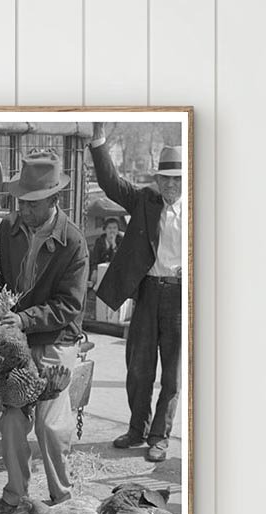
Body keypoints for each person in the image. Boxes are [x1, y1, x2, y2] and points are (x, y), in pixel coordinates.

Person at [0, 148, 90, 514]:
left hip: (55, 338)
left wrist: (25, 320)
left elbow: (69, 306)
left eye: (31, 204)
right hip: (15, 339)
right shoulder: (6, 231)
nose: (23, 210)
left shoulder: (73, 241)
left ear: (54, 200)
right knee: (11, 419)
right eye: (20, 202)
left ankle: (62, 497)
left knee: (49, 423)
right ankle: (16, 492)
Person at [88, 122, 184, 463]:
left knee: (171, 375)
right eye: (166, 179)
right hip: (147, 293)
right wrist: (98, 142)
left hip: (179, 299)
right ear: (157, 180)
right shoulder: (145, 200)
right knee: (139, 367)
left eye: (178, 180)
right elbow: (111, 183)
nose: (171, 185)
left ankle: (160, 436)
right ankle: (137, 429)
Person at [90, 216, 123, 282]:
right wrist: (94, 270)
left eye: (114, 228)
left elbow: (119, 259)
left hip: (116, 271)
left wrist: (114, 245)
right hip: (101, 270)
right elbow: (95, 259)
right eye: (109, 228)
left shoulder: (121, 241)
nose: (112, 230)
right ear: (105, 230)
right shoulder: (99, 241)